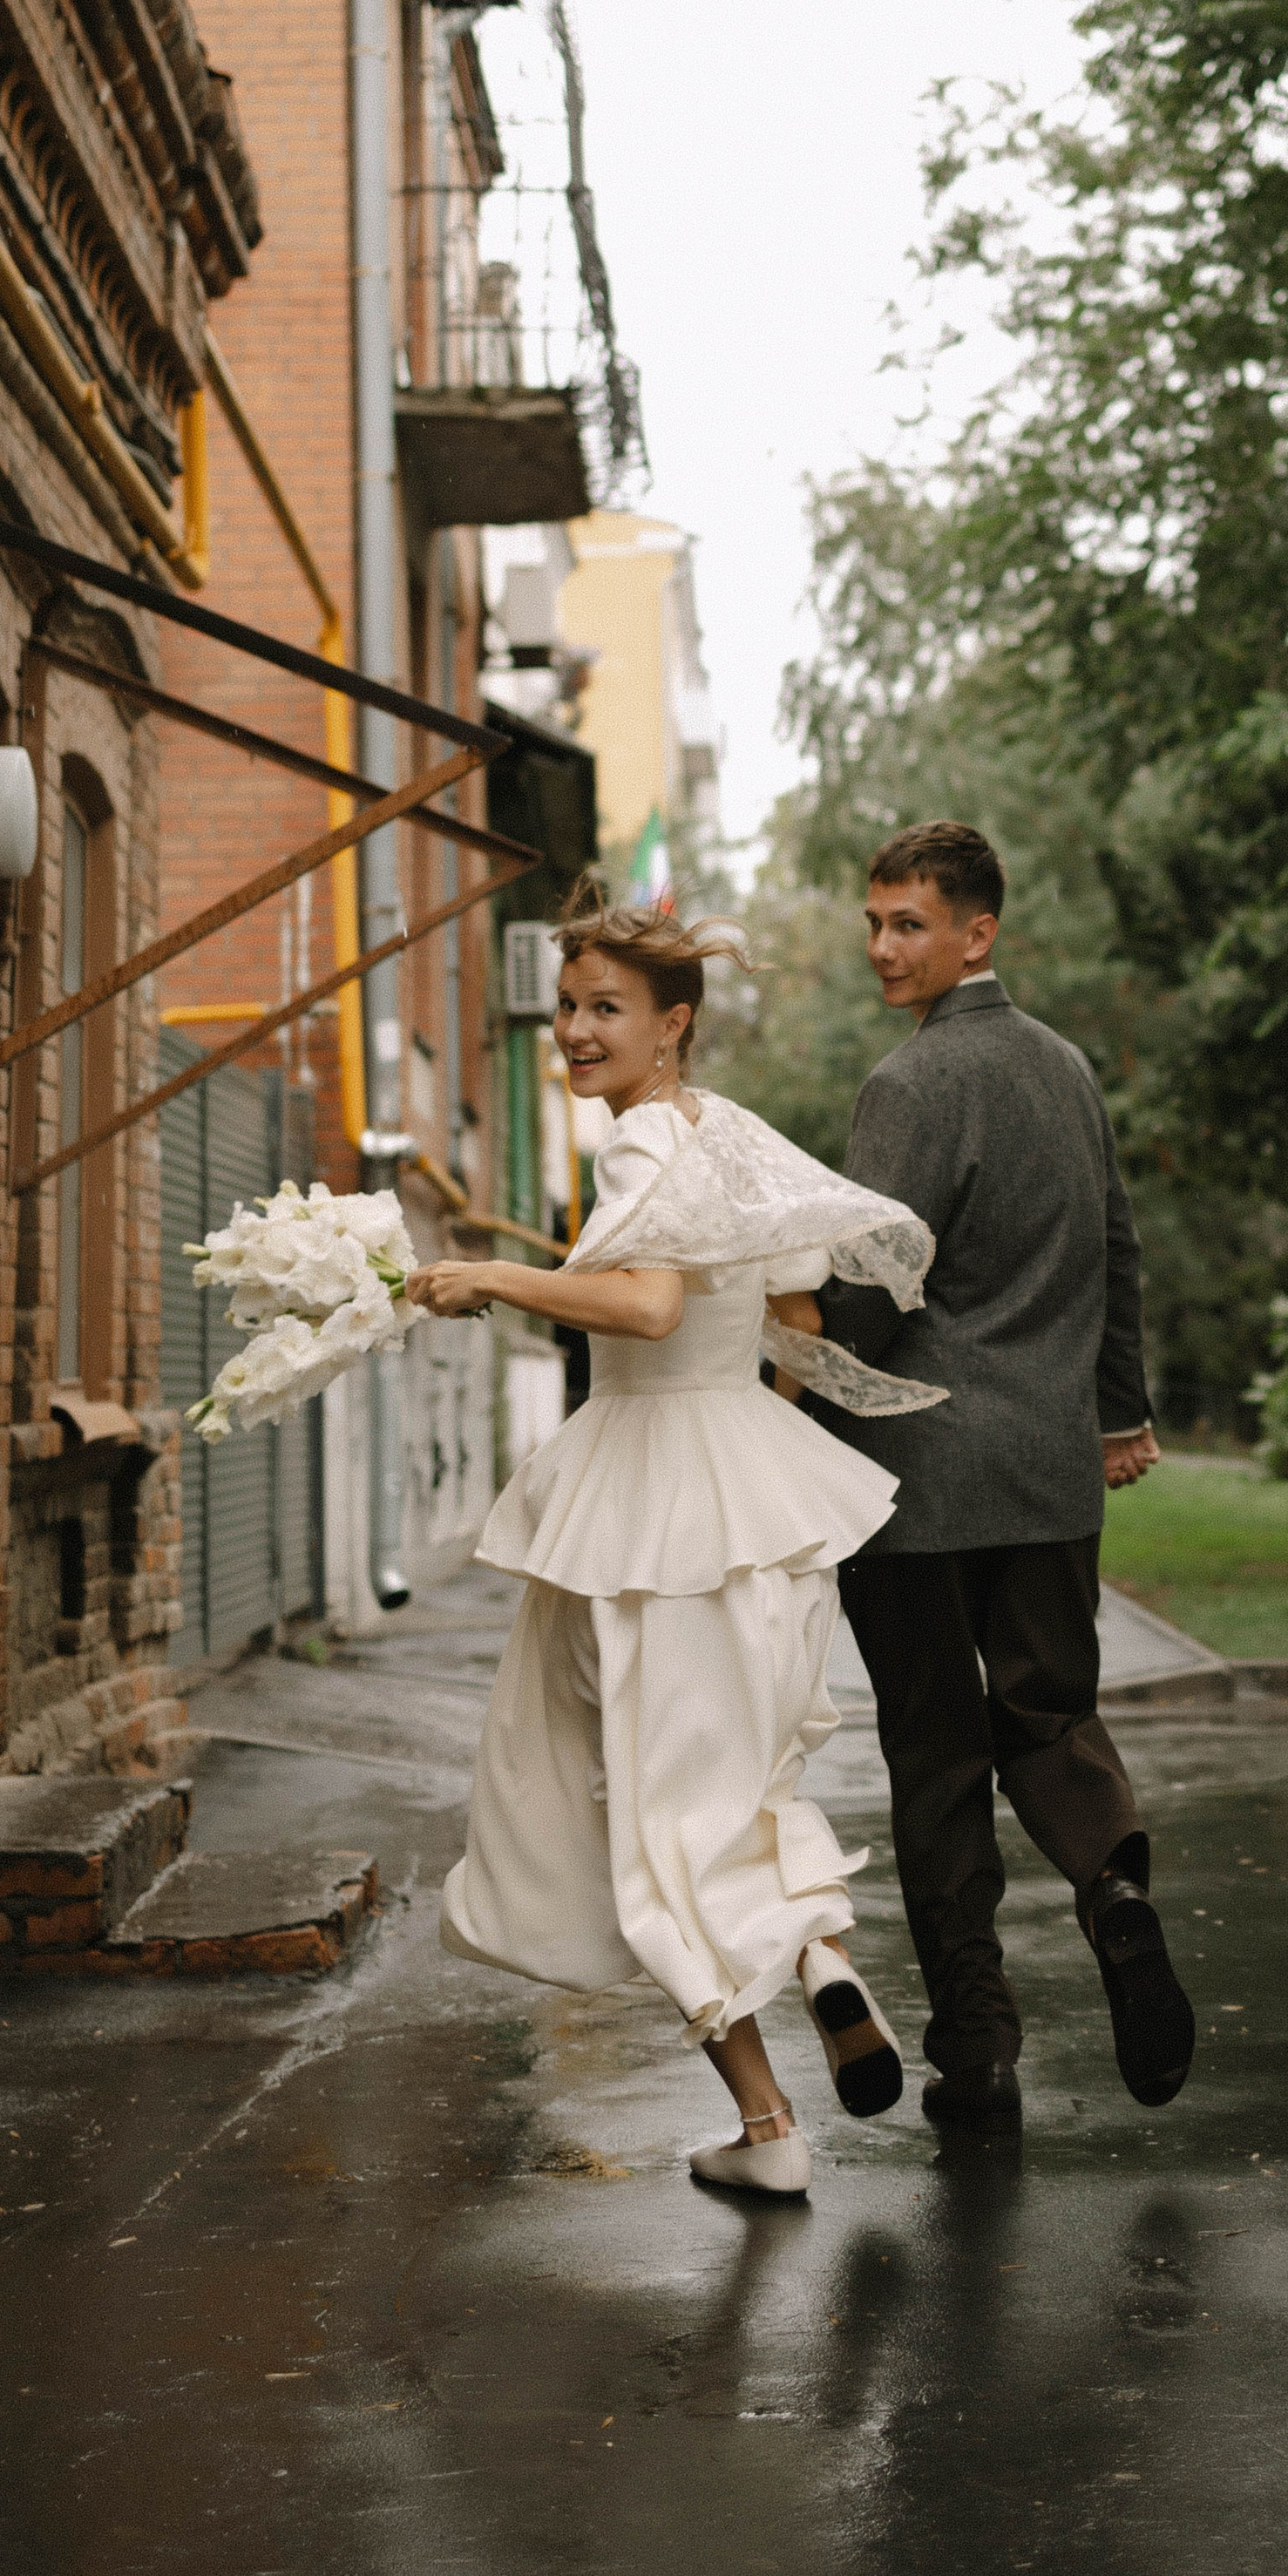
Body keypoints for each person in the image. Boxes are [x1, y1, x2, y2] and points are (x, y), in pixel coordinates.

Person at [404, 888, 945, 2200]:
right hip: (745, 1492)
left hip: (653, 1508)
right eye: (570, 1008)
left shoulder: (645, 1142)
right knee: (741, 1792)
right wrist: (748, 1468)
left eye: (609, 1010)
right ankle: (808, 1992)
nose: (578, 1032)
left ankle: (776, 2102)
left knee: (644, 1817)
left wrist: (496, 1276)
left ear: (672, 1025)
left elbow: (645, 1304)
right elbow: (797, 1305)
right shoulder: (728, 1134)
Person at [808, 819, 1196, 2128]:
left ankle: (976, 2042)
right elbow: (1119, 1247)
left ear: (979, 931)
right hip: (1041, 1475)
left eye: (908, 923)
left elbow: (869, 1287)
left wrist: (794, 1382)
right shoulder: (1068, 1069)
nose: (882, 947)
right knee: (1049, 1715)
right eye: (875, 922)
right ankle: (1115, 1893)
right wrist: (1116, 1409)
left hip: (914, 1482)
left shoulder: (908, 1086)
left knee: (934, 1756)